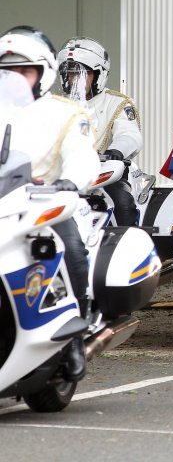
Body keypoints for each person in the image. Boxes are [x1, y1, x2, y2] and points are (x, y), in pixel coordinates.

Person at [0, 26, 101, 382]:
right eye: (8, 71)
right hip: (1, 203)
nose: (15, 78)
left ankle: (74, 334)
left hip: (44, 202)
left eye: (24, 70)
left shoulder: (66, 113)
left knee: (70, 246)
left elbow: (83, 156)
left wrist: (70, 182)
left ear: (44, 73)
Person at [57, 37, 142, 226]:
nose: (75, 79)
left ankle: (127, 247)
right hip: (62, 175)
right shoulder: (56, 105)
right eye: (71, 74)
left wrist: (116, 151)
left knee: (122, 202)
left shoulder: (117, 102)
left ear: (98, 75)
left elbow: (130, 135)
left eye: (82, 73)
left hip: (104, 176)